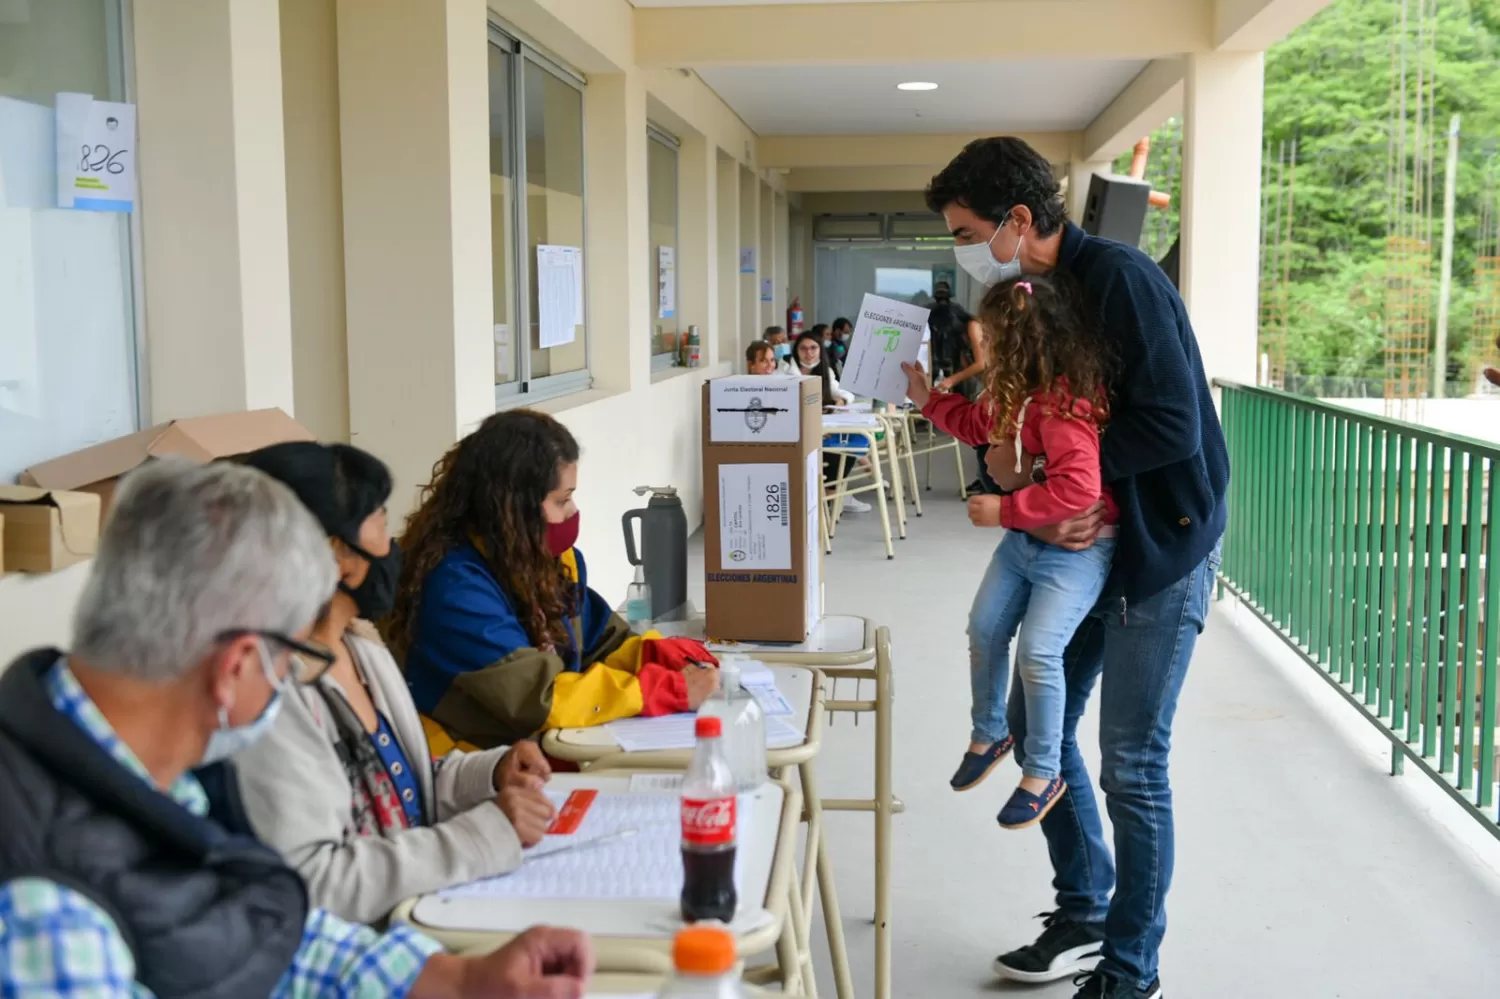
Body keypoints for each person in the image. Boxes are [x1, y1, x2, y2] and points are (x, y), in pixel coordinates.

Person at [0, 458, 593, 999]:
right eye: (290, 659)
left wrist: (461, 981)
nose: (300, 678)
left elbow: (261, 930)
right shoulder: (47, 919)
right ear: (235, 668)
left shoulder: (139, 772)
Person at [925, 136, 1227, 999]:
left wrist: (1067, 482)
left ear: (1019, 220)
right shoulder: (1035, 292)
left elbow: (1171, 422)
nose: (963, 245)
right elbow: (1027, 421)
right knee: (1034, 725)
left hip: (1160, 549)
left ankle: (1132, 969)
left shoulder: (1123, 279)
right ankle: (1084, 903)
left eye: (966, 229)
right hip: (1086, 545)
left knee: (1131, 761)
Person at [230, 441, 558, 925]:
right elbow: (316, 882)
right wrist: (484, 834)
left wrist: (489, 775)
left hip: (423, 916)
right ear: (334, 553)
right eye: (381, 519)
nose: (393, 540)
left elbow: (400, 790)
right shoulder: (270, 692)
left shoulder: (361, 648)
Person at [903, 276, 1118, 830]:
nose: (985, 350)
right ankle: (990, 732)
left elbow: (1080, 491)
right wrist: (928, 398)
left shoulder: (1066, 409)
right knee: (984, 628)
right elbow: (977, 425)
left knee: (1039, 653)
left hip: (1075, 552)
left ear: (1021, 344)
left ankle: (1043, 771)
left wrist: (1005, 510)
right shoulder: (1013, 397)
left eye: (993, 340)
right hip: (1026, 544)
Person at [389, 410, 721, 752]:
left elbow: (599, 642)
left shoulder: (547, 562)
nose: (573, 511)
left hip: (531, 751)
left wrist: (657, 654)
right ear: (511, 507)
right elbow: (537, 697)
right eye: (562, 500)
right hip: (468, 767)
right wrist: (672, 691)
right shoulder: (453, 586)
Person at [927, 282, 993, 493]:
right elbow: (970, 365)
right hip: (988, 381)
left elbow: (981, 363)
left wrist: (951, 381)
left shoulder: (972, 325)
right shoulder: (957, 336)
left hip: (998, 379)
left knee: (987, 432)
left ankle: (988, 480)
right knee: (980, 432)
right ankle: (983, 478)